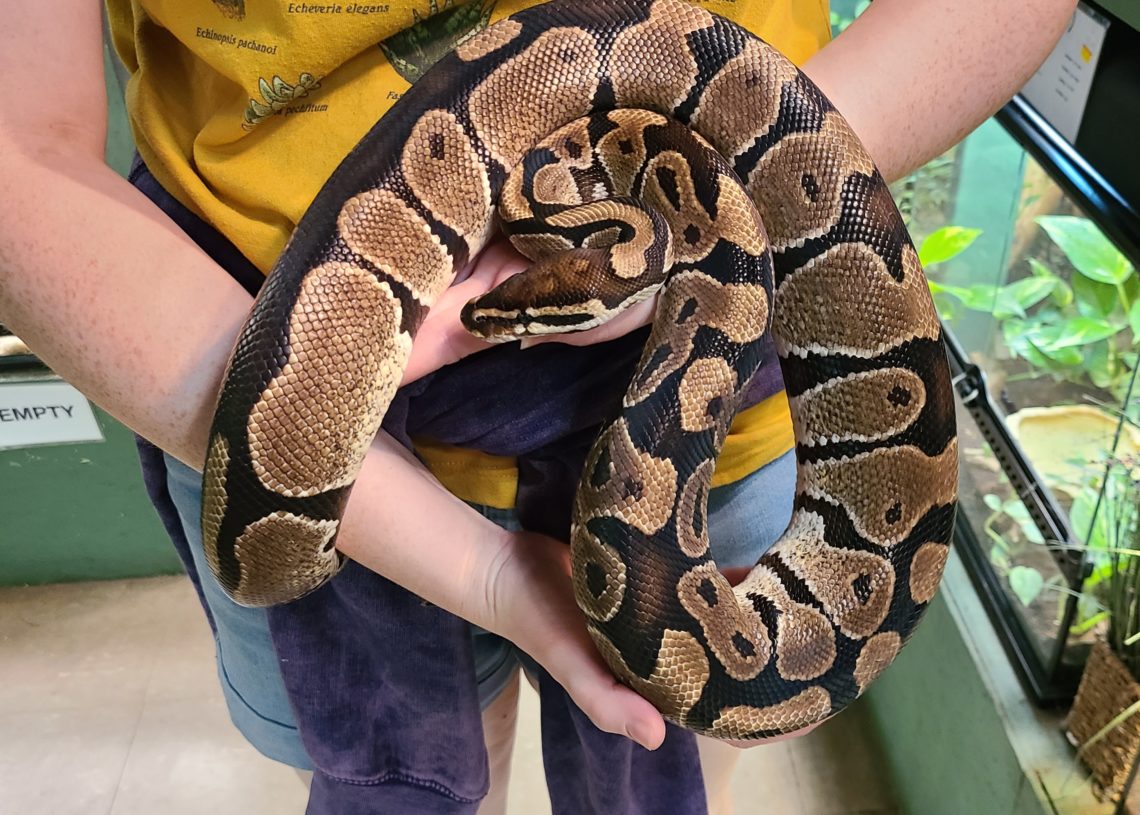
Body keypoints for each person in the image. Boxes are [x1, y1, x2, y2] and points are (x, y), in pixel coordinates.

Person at [0, 0, 1076, 812]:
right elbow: (19, 155)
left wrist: (726, 214)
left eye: (517, 320)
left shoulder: (664, 277)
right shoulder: (605, 235)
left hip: (720, 411)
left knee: (658, 743)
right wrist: (474, 566)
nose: (494, 325)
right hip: (209, 349)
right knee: (404, 764)